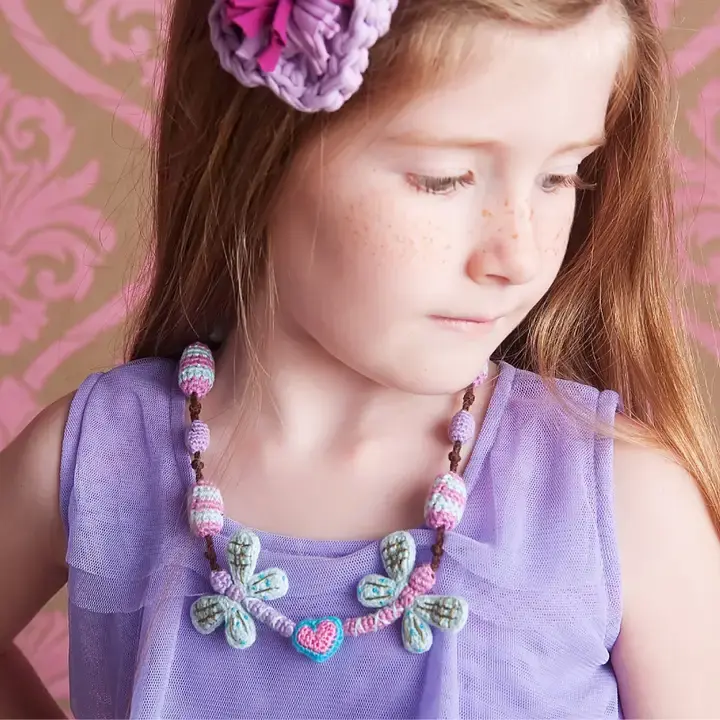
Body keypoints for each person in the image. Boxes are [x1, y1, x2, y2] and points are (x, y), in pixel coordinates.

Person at [2, 0, 720, 717]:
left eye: (561, 176)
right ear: (257, 153)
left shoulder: (626, 502)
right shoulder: (96, 458)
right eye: (443, 178)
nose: (519, 256)